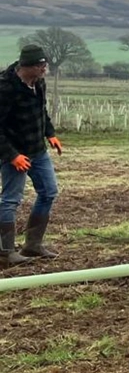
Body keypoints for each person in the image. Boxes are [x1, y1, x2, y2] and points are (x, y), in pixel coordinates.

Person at [0, 45, 62, 265]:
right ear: (29, 66)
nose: (45, 69)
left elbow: (41, 111)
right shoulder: (5, 88)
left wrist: (50, 133)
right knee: (10, 200)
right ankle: (5, 253)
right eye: (42, 66)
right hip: (14, 154)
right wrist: (12, 155)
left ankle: (33, 245)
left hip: (38, 150)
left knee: (49, 191)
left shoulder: (39, 83)